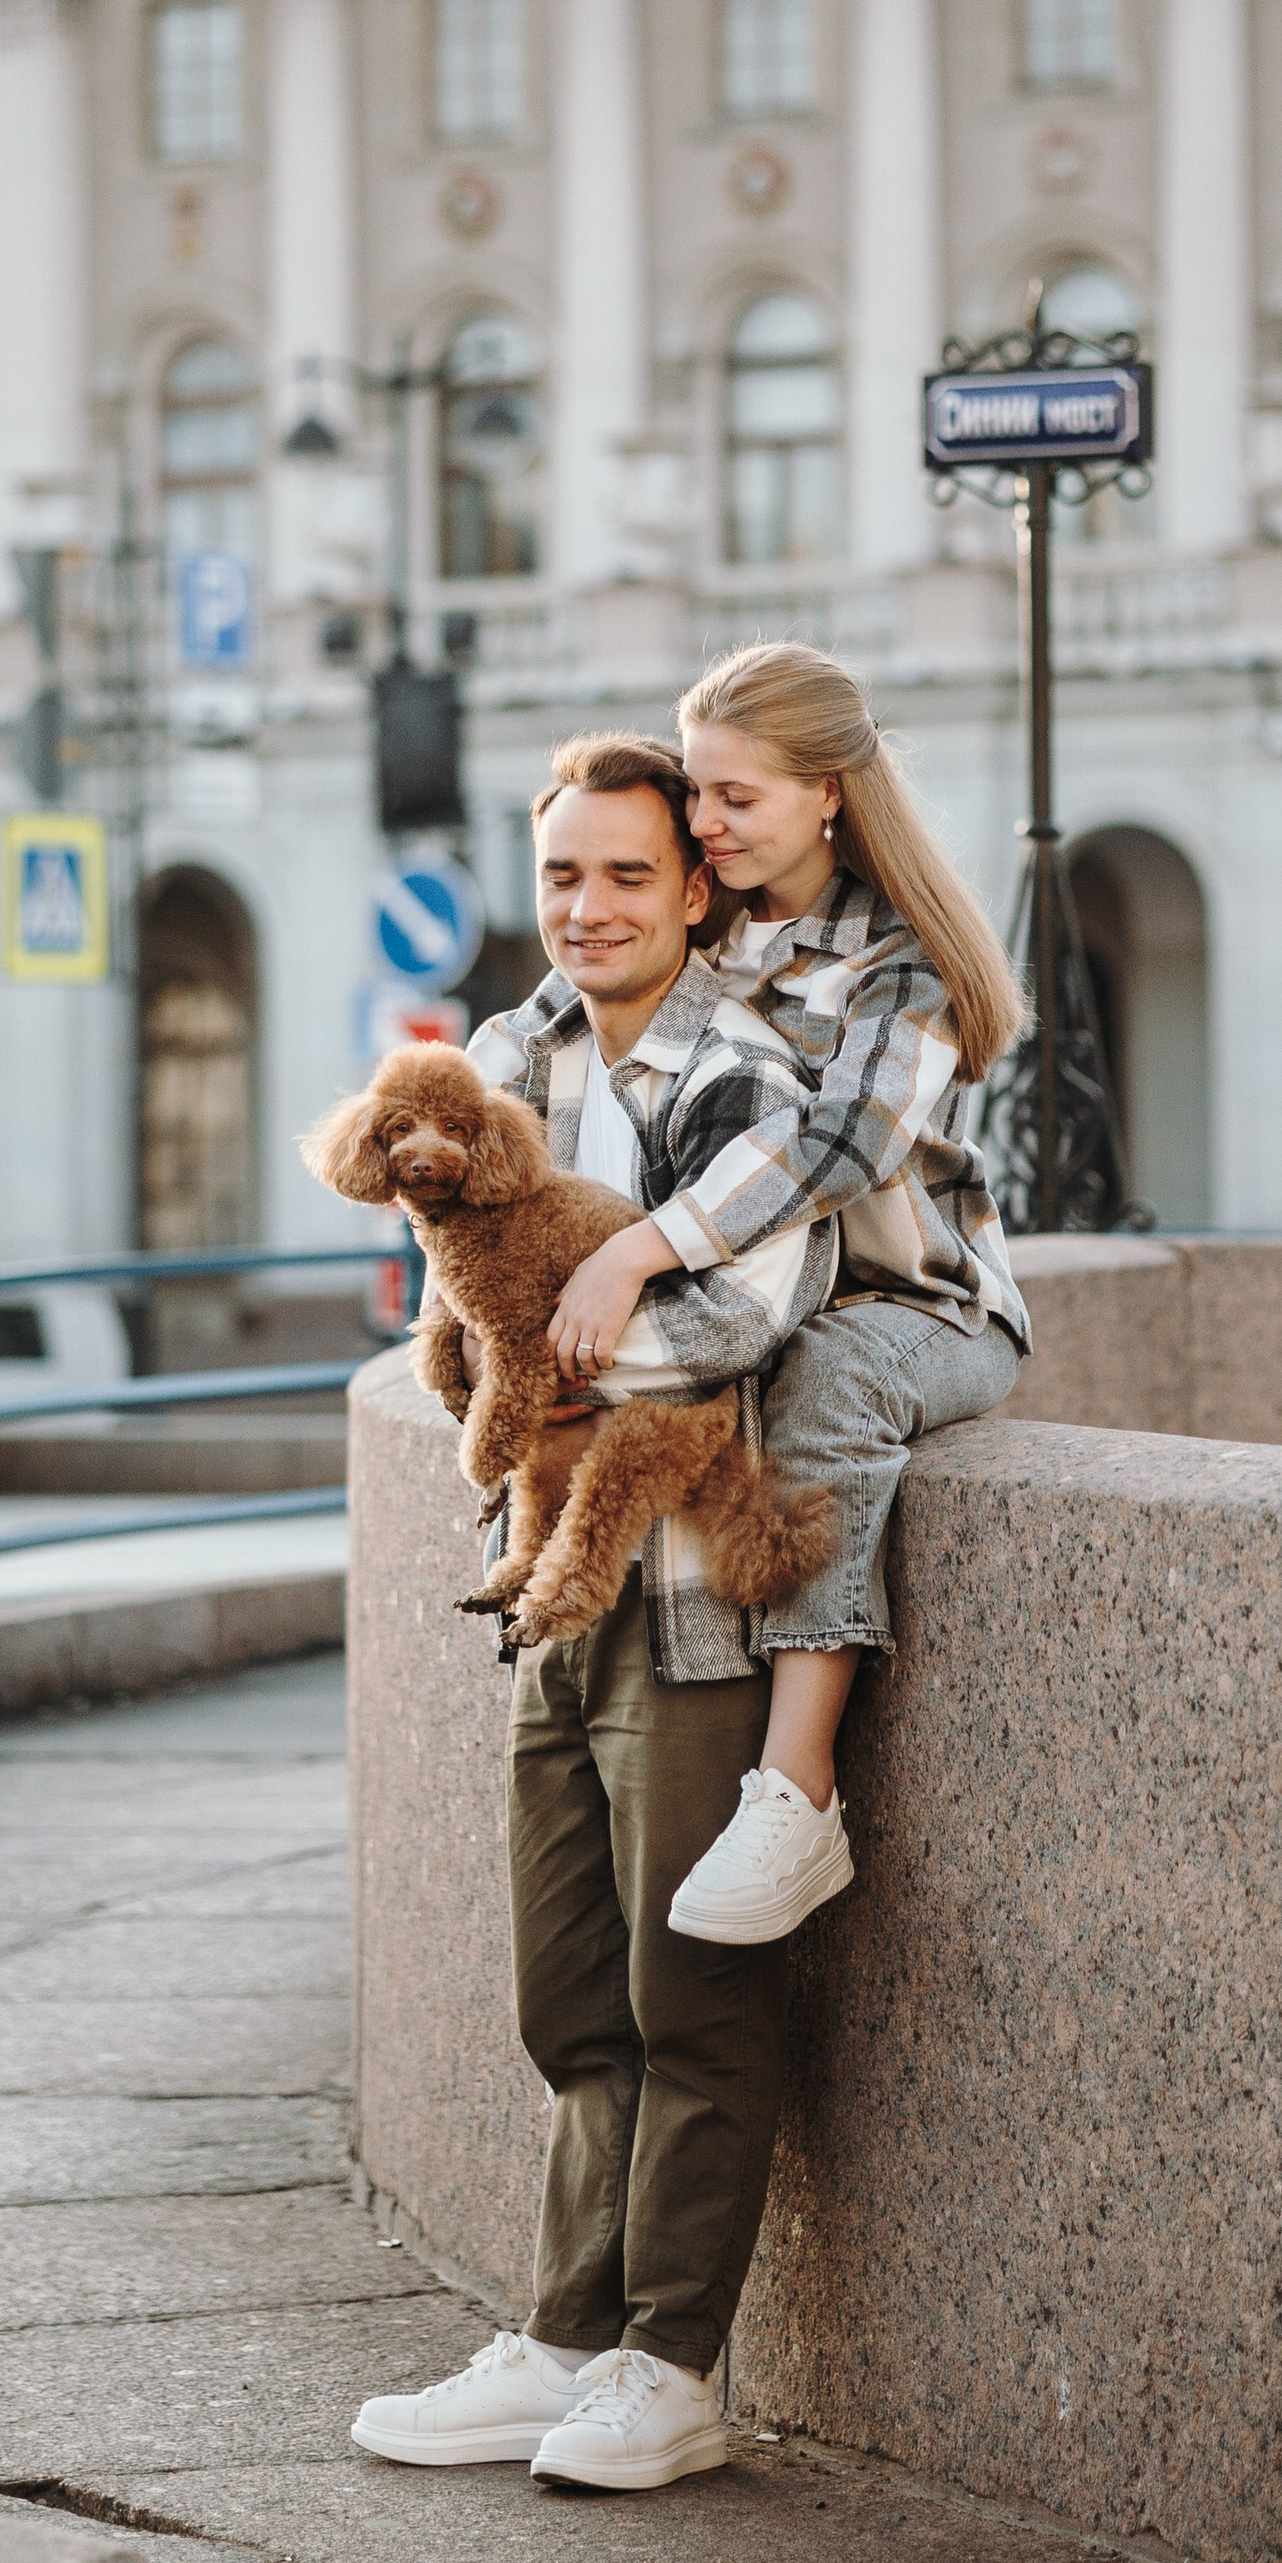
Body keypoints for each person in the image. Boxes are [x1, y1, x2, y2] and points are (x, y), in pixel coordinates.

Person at [349, 733, 836, 2496]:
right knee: (567, 1991)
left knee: (688, 1989)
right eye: (564, 873)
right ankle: (562, 2337)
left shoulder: (754, 1067)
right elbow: (450, 1302)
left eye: (630, 873)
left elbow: (747, 1320)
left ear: (695, 887)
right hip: (547, 1575)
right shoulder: (505, 1058)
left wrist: (548, 1358)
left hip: (690, 1586)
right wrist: (530, 1368)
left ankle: (670, 2368)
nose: (591, 906)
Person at [531, 644, 1031, 1950]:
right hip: (761, 1296)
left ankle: (797, 1793)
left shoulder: (903, 962)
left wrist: (639, 1251)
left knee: (832, 1374)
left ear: (827, 793)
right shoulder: (705, 913)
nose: (703, 821)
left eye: (735, 796)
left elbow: (841, 1147)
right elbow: (558, 1012)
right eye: (696, 791)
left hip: (918, 1308)